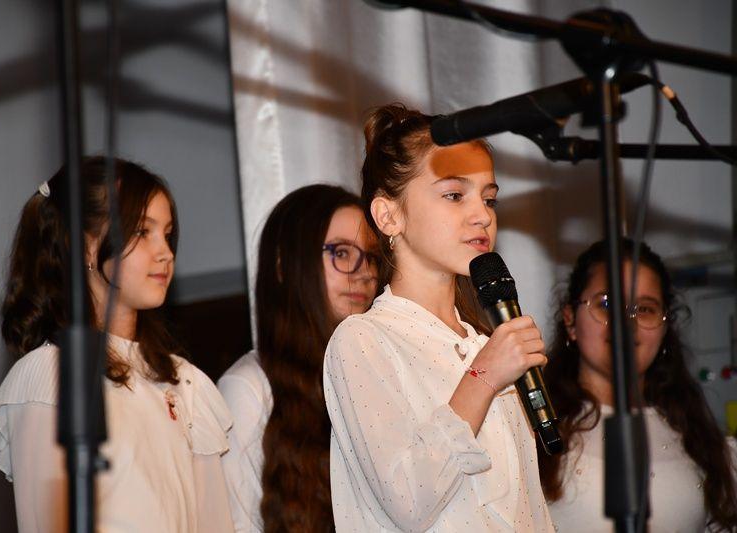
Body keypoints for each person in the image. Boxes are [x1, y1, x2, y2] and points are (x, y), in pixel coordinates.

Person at [323, 103, 554, 531]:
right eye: (454, 195)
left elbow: (528, 510)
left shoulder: (484, 344)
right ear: (388, 215)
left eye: (489, 199)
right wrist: (484, 377)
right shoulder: (362, 340)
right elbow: (408, 501)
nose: (482, 215)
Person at [0, 157, 234, 532]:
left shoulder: (186, 382)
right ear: (86, 246)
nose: (165, 252)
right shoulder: (52, 372)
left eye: (167, 234)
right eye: (142, 232)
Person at [538, 238, 737, 532]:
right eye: (607, 304)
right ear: (570, 320)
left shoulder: (701, 442)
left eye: (644, 309)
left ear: (665, 326)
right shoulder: (535, 432)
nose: (625, 323)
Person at [218, 184, 379, 533]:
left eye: (371, 256)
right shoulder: (248, 388)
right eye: (341, 253)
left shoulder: (375, 375)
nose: (364, 273)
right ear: (284, 265)